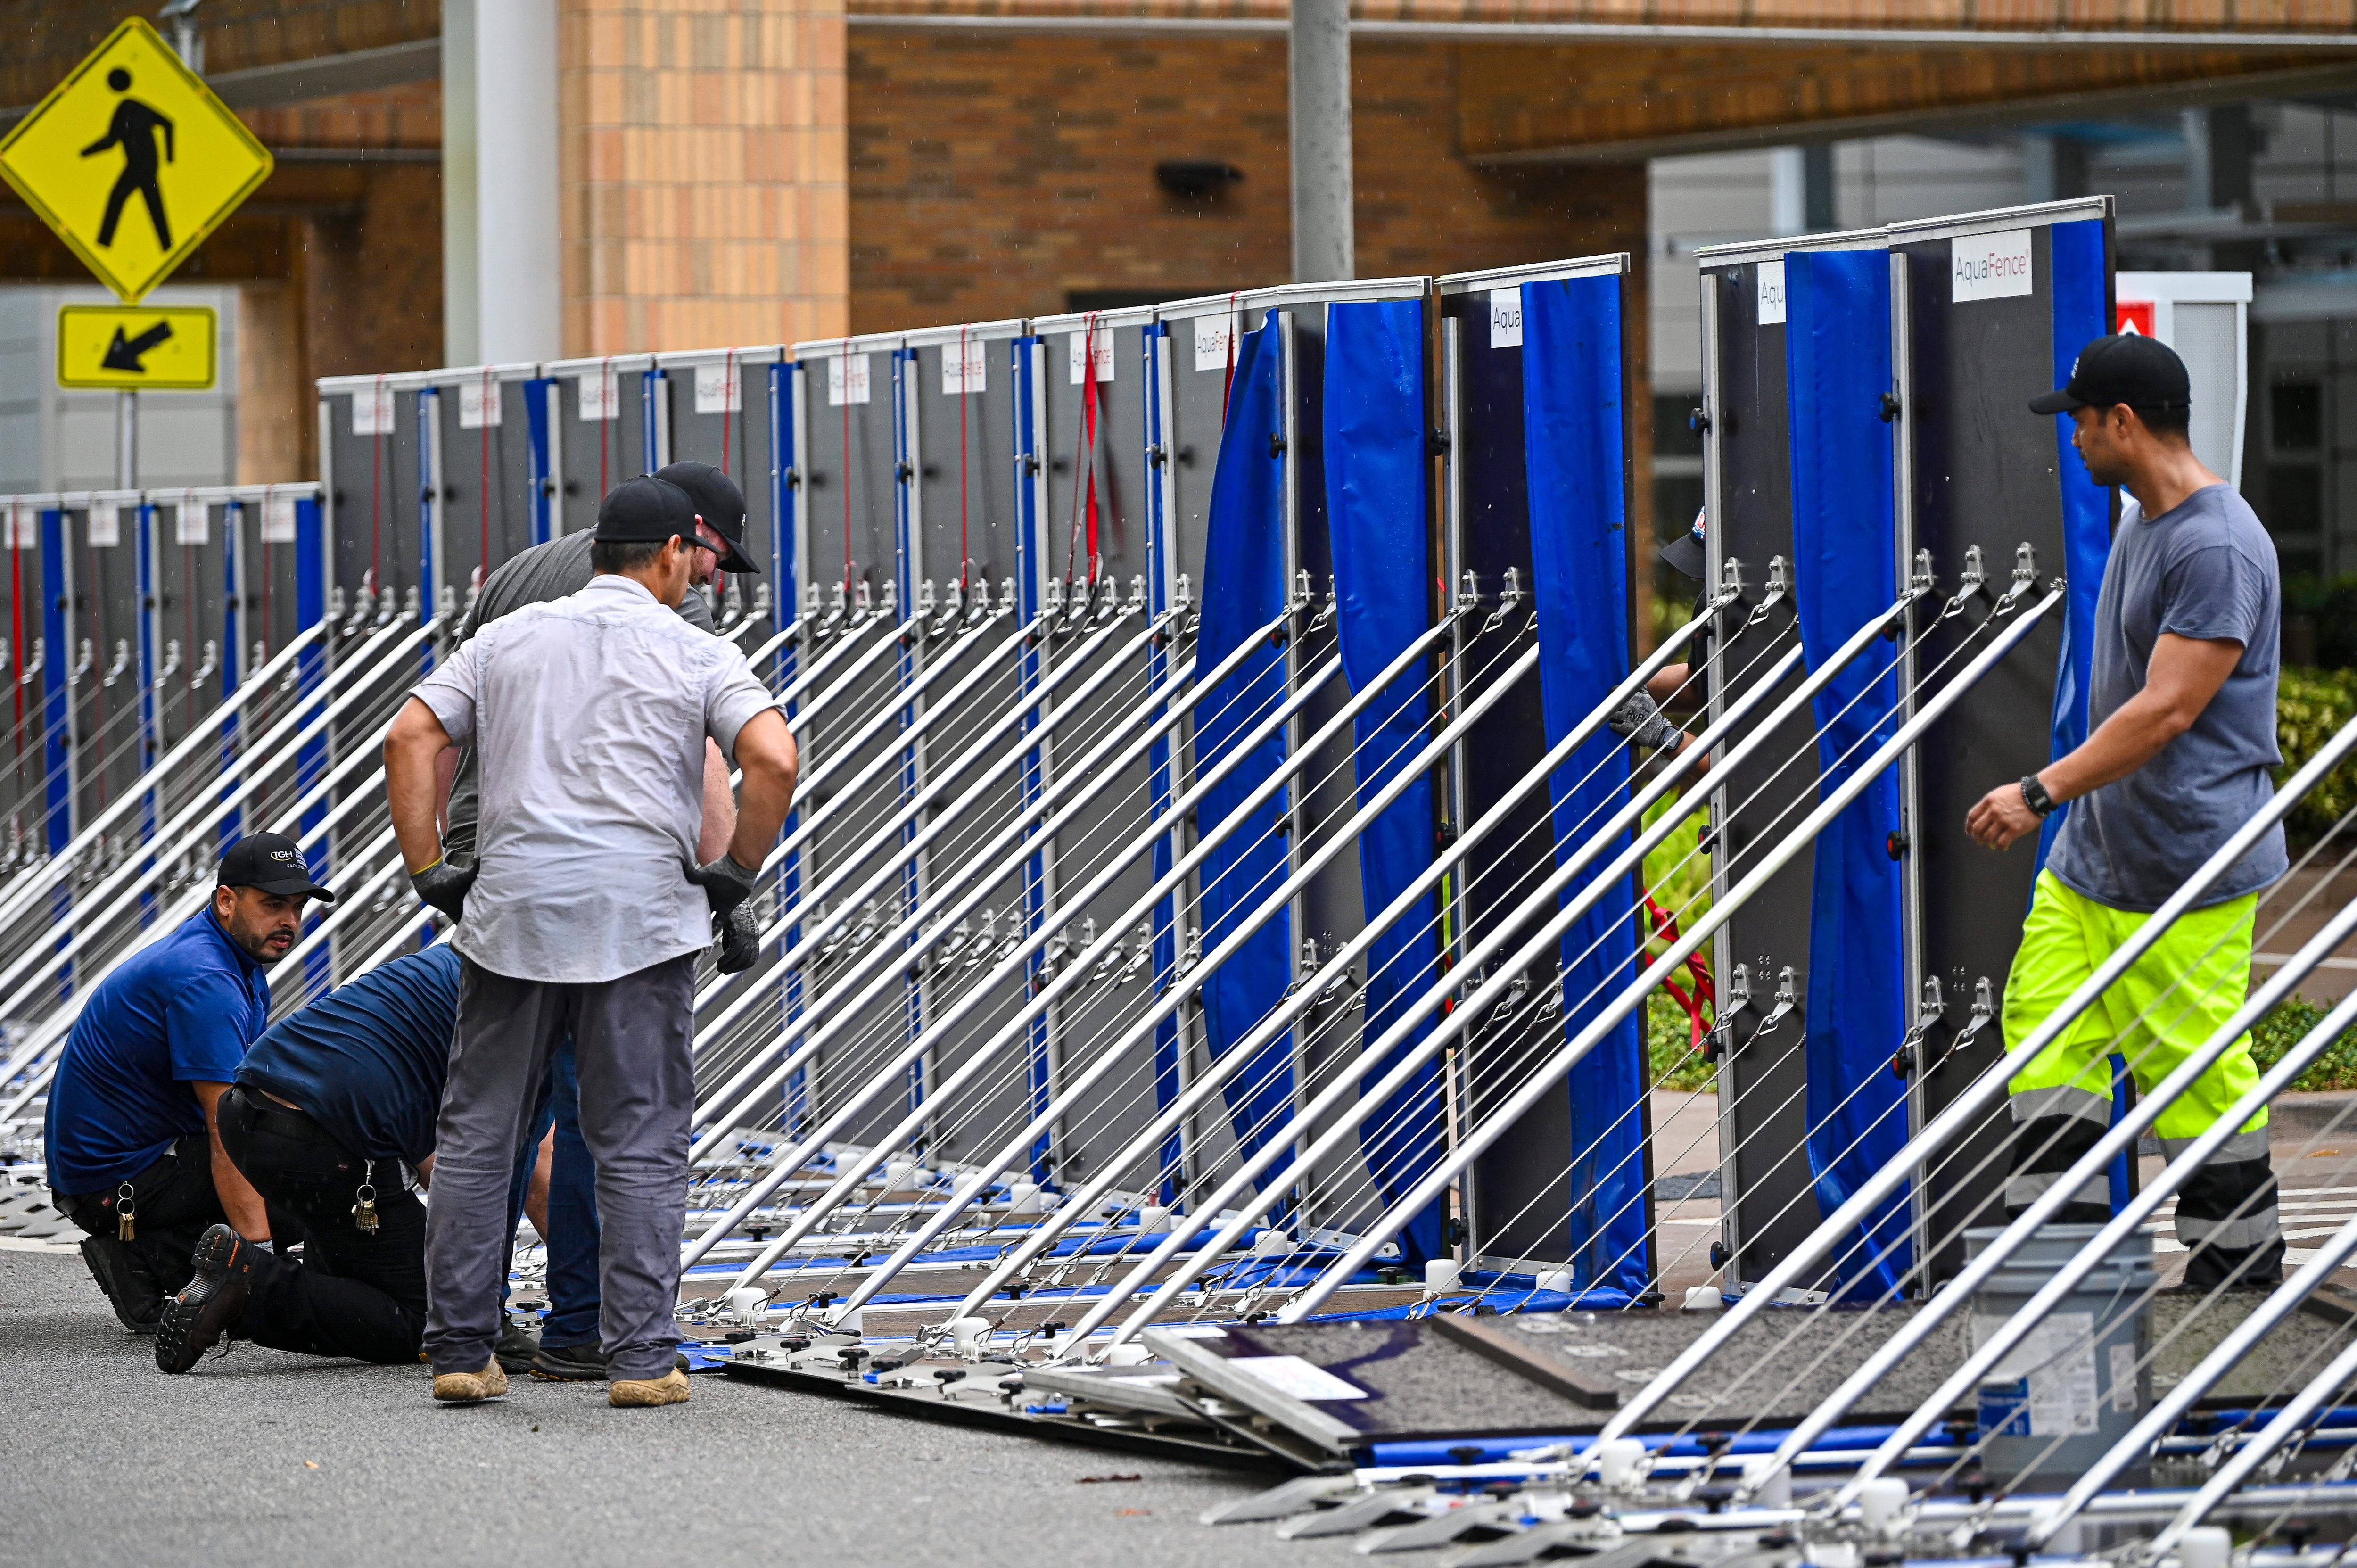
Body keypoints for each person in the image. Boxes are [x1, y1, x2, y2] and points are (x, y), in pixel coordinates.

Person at [385, 474, 799, 1409]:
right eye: (695, 561)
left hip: (511, 913)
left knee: (480, 1131)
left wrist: (429, 869)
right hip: (639, 921)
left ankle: (459, 1348)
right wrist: (736, 870)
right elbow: (771, 757)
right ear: (664, 557)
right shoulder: (696, 651)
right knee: (640, 1139)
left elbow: (411, 739)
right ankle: (641, 1360)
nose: (699, 576)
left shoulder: (504, 638)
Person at [1967, 333, 2285, 1289]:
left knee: (2187, 1068)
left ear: (2123, 422)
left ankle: (2238, 1269)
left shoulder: (2217, 544)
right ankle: (2064, 1258)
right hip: (2097, 857)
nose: (2068, 435)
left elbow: (2168, 708)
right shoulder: (2145, 521)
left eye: (2077, 419)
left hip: (2186, 861)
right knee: (2042, 1025)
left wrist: (2038, 791)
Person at [149, 946, 573, 1375]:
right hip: (320, 1140)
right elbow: (529, 1169)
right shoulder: (537, 1006)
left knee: (386, 1259)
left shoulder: (461, 961)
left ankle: (325, 1281)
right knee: (435, 1319)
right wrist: (500, 1310)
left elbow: (443, 1160)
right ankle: (252, 1286)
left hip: (252, 1114)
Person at [44, 834, 331, 1331]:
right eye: (273, 905)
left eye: (297, 908)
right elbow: (228, 1132)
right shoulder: (206, 979)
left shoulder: (232, 957)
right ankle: (155, 1257)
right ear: (226, 901)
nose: (289, 922)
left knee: (312, 1146)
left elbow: (254, 1090)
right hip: (114, 1183)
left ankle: (147, 1261)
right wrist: (259, 1263)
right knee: (313, 1180)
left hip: (125, 1167)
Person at [1608, 509, 1714, 767]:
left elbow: (1742, 774)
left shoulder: (1780, 633)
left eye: (1706, 569)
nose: (1693, 577)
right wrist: (1628, 684)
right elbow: (1705, 683)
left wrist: (1663, 735)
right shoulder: (1712, 602)